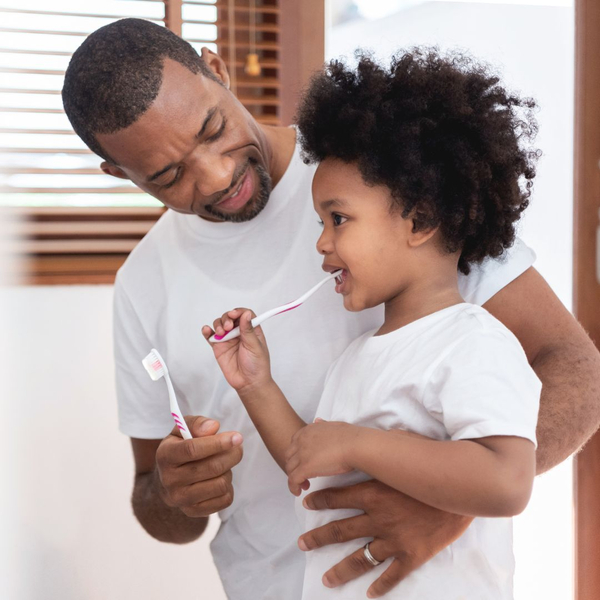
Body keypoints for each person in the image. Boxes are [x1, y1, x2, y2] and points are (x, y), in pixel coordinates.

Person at [60, 18, 600, 600]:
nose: (216, 176)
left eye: (213, 130)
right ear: (121, 174)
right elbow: (194, 486)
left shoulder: (384, 172)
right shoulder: (143, 283)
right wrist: (173, 492)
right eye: (168, 176)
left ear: (217, 70)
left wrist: (444, 505)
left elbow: (574, 368)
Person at [203, 49, 541, 600]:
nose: (321, 242)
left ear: (422, 220)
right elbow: (314, 460)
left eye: (338, 219)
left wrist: (359, 446)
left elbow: (507, 482)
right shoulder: (358, 357)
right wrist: (255, 384)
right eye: (320, 222)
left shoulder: (472, 342)